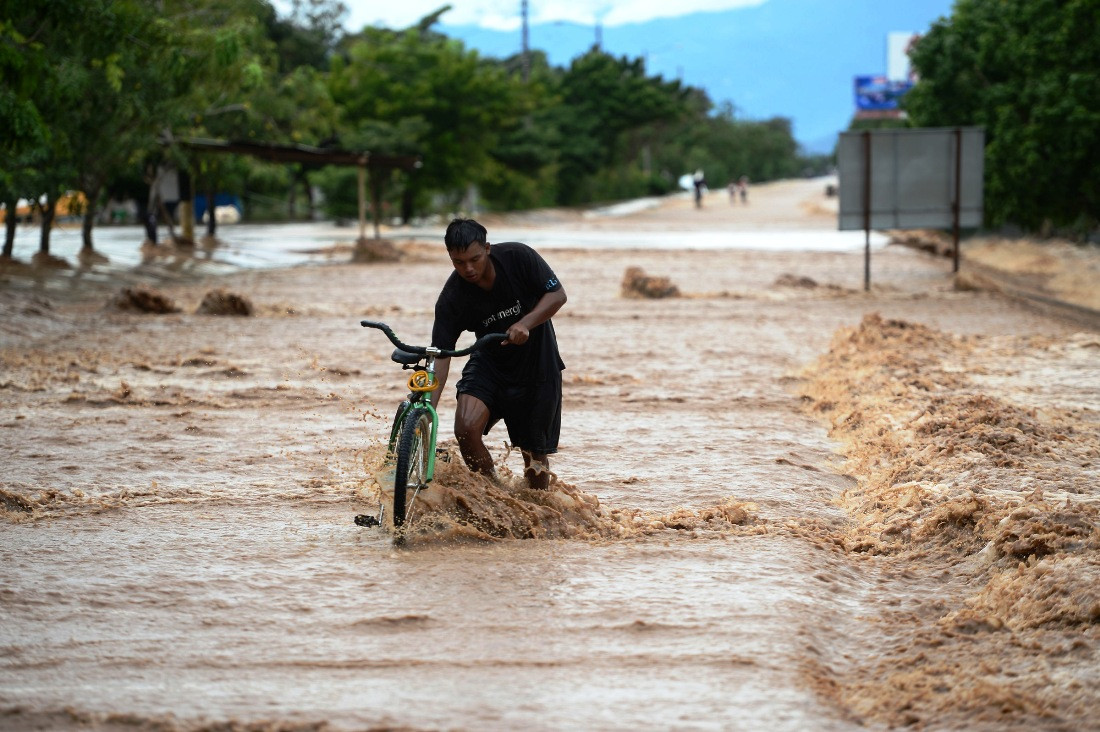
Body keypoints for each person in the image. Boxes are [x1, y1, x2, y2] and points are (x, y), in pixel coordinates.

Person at [430, 218, 567, 491]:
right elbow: (441, 355)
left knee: (533, 456)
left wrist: (525, 323)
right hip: (489, 363)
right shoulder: (452, 297)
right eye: (458, 262)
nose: (468, 269)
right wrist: (428, 411)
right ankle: (493, 493)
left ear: (488, 249)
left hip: (537, 365)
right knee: (466, 429)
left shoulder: (518, 256)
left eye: (474, 259)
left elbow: (557, 295)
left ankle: (536, 509)